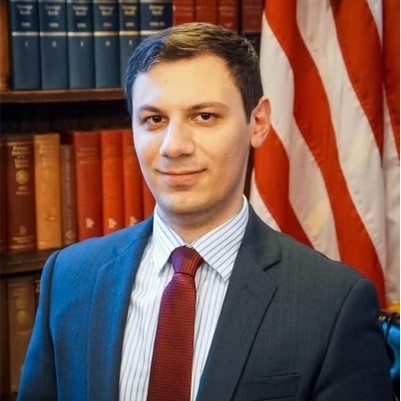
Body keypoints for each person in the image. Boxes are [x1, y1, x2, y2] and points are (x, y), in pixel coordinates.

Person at [18, 23, 393, 401]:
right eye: (154, 119)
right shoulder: (69, 277)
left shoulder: (333, 303)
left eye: (204, 116)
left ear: (258, 123)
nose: (174, 146)